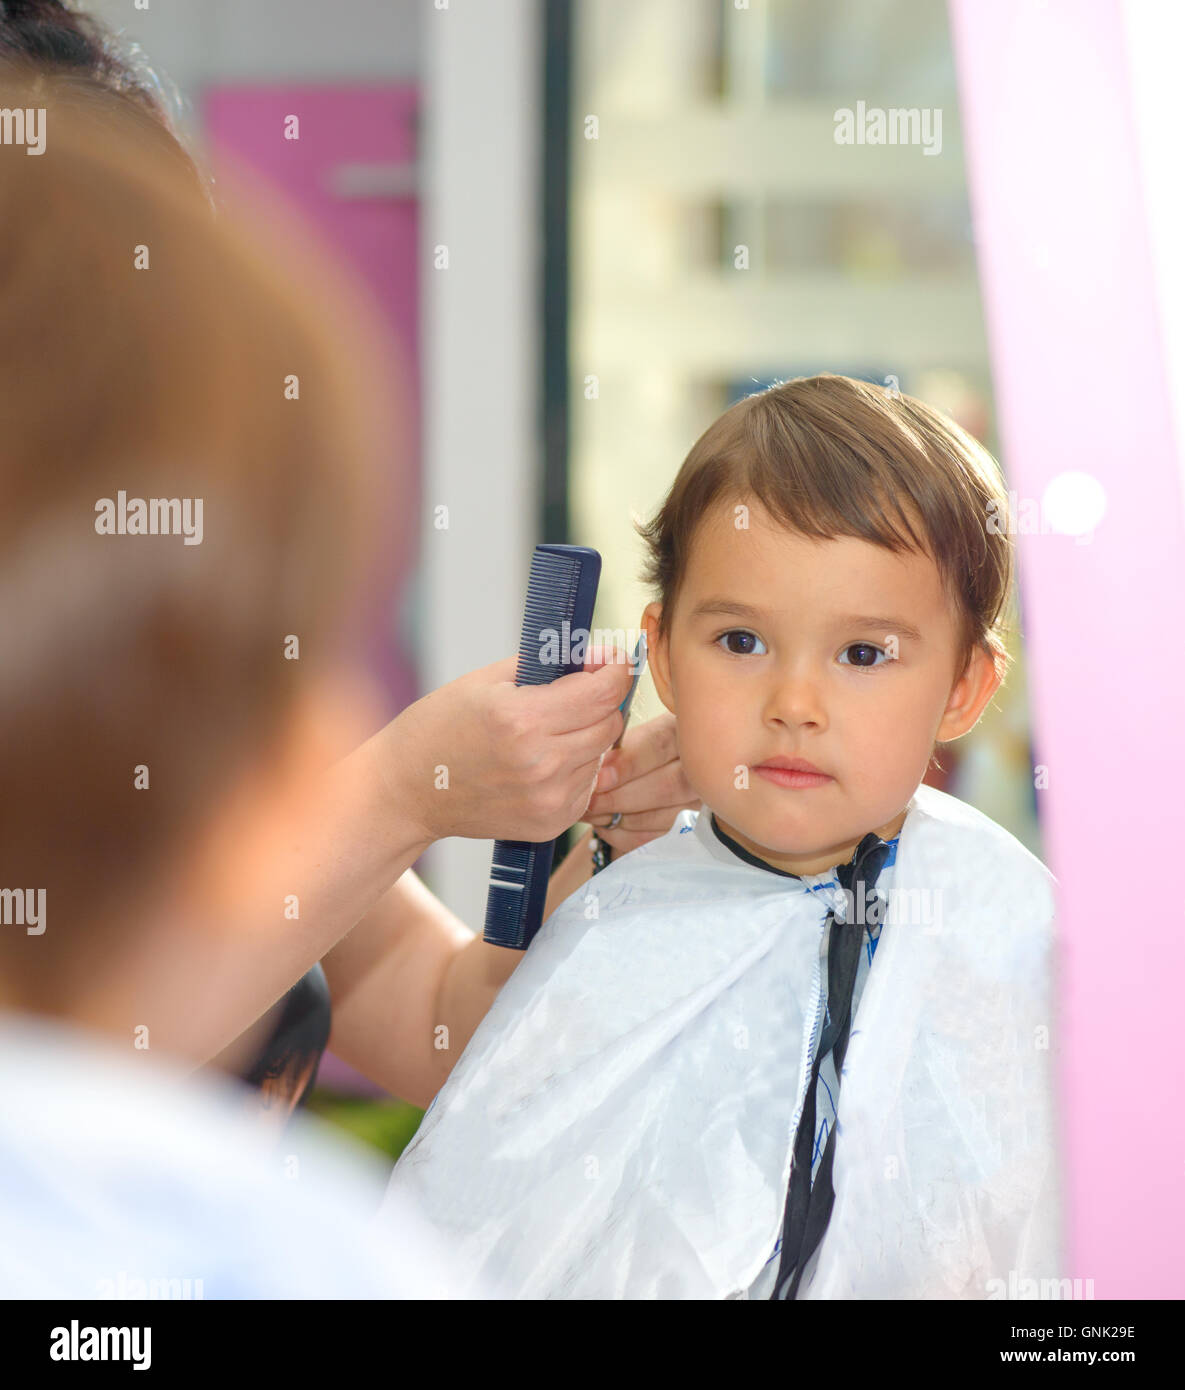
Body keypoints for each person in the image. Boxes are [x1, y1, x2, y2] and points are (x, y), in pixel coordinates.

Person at [0, 37, 688, 1296]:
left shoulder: (173, 677)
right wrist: (396, 791)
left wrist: (602, 872)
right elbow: (68, 1064)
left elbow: (446, 1022)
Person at [383, 373, 1065, 1299]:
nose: (793, 705)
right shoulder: (612, 911)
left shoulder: (1009, 927)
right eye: (740, 642)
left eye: (862, 654)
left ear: (963, 689)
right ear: (661, 654)